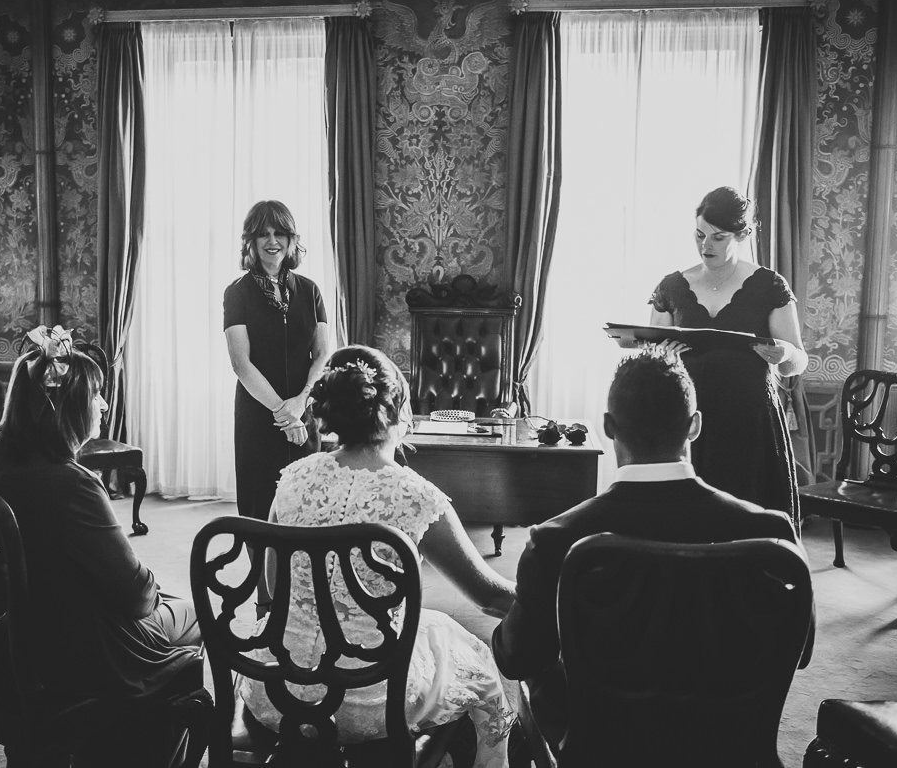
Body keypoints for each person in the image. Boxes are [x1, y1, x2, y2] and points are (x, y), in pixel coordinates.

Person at [492, 347, 812, 755]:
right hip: (727, 745)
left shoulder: (556, 538)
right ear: (694, 425)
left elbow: (517, 659)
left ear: (608, 427)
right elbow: (798, 651)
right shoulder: (770, 531)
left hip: (604, 749)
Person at [238, 345, 518, 768]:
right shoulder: (417, 497)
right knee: (478, 664)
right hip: (372, 698)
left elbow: (275, 589)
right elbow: (490, 597)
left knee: (437, 633)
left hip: (277, 691)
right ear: (399, 414)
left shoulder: (292, 480)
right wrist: (550, 594)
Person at [0, 326, 203, 745]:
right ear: (66, 406)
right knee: (195, 612)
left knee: (166, 602)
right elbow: (135, 597)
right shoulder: (73, 484)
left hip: (7, 642)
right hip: (77, 650)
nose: (104, 403)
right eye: (94, 394)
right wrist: (149, 585)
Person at [648, 186, 809, 523]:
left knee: (747, 518)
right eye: (699, 234)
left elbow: (799, 362)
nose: (706, 245)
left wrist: (784, 354)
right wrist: (660, 355)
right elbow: (652, 355)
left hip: (749, 420)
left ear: (742, 235)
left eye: (718, 237)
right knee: (685, 521)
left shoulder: (768, 285)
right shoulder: (672, 287)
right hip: (687, 421)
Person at [224, 200, 331, 525]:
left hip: (304, 410)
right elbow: (241, 363)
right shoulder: (237, 293)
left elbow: (323, 354)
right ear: (251, 242)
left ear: (291, 238)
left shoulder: (310, 290)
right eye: (263, 234)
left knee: (305, 505)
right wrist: (284, 415)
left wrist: (301, 403)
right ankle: (263, 577)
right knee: (261, 510)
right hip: (259, 417)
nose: (273, 241)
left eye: (280, 233)